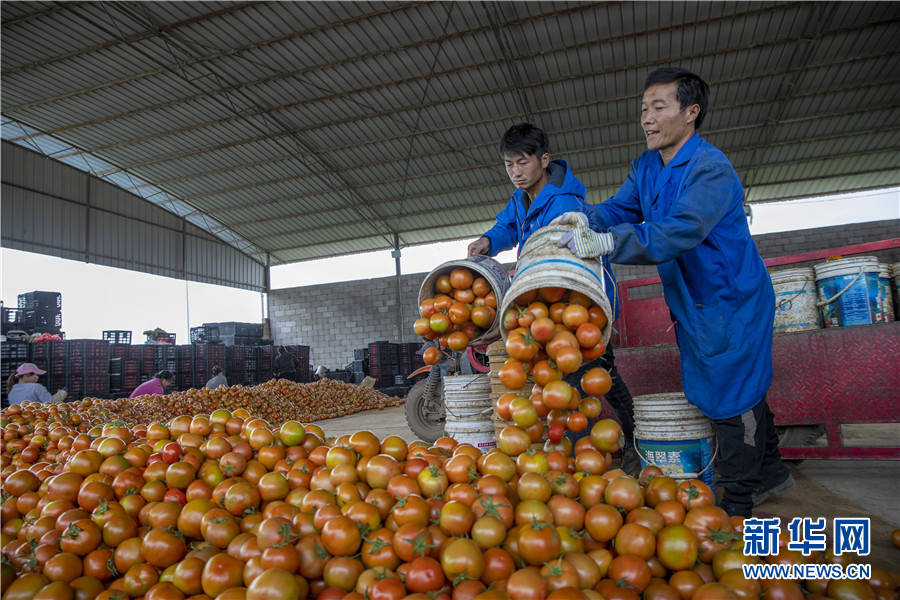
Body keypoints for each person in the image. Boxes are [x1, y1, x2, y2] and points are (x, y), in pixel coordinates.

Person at [556, 67, 793, 516]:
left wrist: (609, 242)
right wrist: (584, 217)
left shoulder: (710, 169)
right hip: (693, 301)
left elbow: (680, 231)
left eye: (659, 107)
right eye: (644, 109)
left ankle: (738, 502)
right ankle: (773, 472)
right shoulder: (646, 166)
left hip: (730, 301)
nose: (646, 118)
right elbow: (618, 208)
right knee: (742, 389)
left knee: (732, 398)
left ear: (691, 112)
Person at [467, 122, 639, 474]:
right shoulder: (522, 197)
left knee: (581, 380)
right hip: (549, 303)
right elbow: (509, 227)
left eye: (523, 162)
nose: (515, 172)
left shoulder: (564, 202)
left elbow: (561, 264)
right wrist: (488, 240)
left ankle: (585, 461)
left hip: (578, 302)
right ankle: (616, 441)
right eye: (509, 165)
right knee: (595, 372)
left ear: (544, 160)